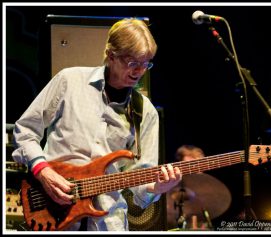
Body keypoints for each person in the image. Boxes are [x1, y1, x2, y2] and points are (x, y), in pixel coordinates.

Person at [12, 18, 182, 231]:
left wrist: (157, 187)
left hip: (107, 223)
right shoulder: (69, 81)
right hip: (53, 213)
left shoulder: (145, 111)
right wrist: (43, 171)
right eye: (133, 63)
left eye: (146, 63)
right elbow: (25, 130)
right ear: (111, 55)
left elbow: (141, 186)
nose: (140, 71)